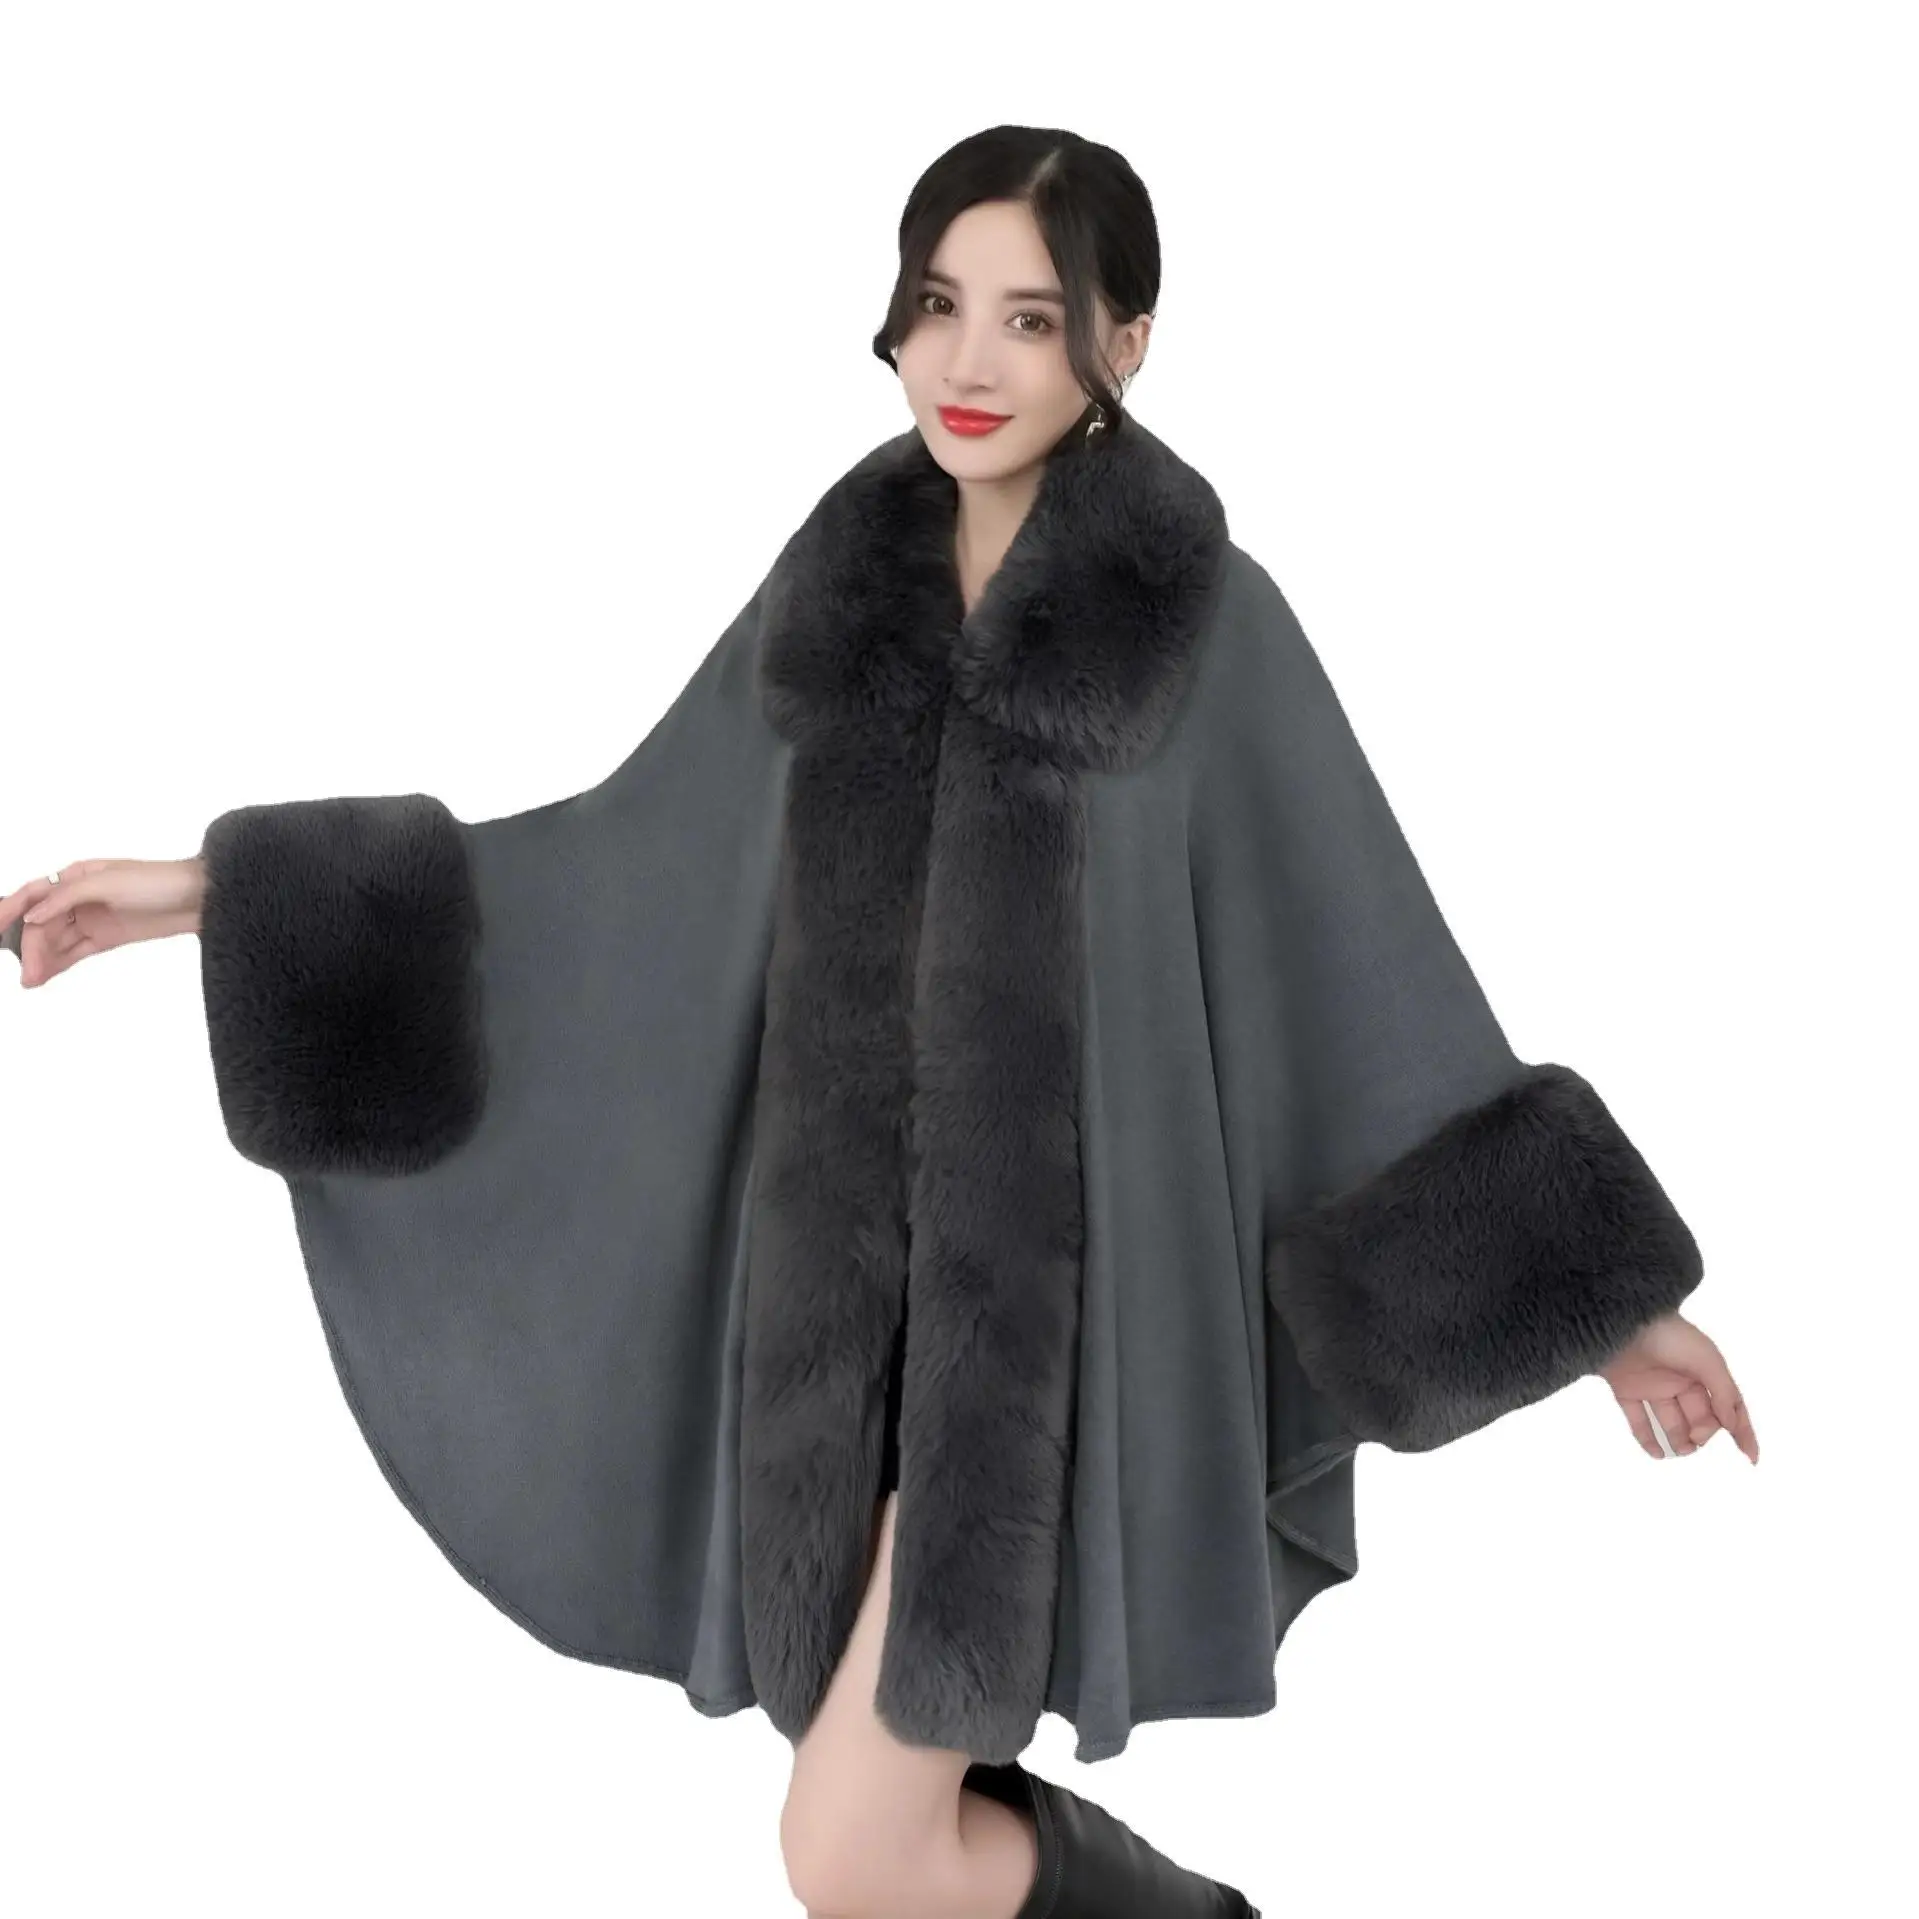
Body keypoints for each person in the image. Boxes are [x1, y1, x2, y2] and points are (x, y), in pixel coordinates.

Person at [3, 125, 1756, 1919]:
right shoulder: (840, 595)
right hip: (833, 1352)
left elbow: (1359, 955)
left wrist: (1610, 1313)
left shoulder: (1203, 628)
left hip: (1057, 1356)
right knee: (892, 1833)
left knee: (849, 1850)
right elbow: (614, 872)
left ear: (1125, 341)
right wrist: (210, 893)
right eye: (936, 305)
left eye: (1029, 317)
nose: (967, 361)